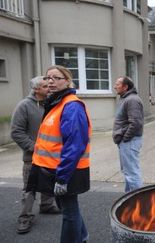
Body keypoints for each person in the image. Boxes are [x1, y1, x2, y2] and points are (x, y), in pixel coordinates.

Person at [26, 65, 91, 243]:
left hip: (67, 171)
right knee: (69, 208)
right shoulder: (57, 103)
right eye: (48, 78)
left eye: (56, 78)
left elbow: (75, 145)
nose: (51, 82)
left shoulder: (71, 106)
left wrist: (62, 178)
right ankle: (83, 237)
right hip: (56, 169)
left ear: (67, 81)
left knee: (69, 212)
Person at [11, 76, 61, 234]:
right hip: (32, 157)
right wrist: (35, 148)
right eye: (46, 86)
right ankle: (25, 217)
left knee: (48, 182)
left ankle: (47, 205)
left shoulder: (50, 103)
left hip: (49, 156)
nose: (49, 88)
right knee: (29, 188)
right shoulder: (24, 106)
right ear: (36, 89)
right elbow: (16, 132)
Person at [113, 76, 144, 192]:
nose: (115, 87)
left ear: (125, 87)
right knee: (128, 172)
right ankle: (130, 200)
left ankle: (139, 203)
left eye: (117, 84)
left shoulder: (132, 100)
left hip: (130, 141)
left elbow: (136, 123)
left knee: (132, 173)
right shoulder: (126, 98)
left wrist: (125, 138)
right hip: (127, 141)